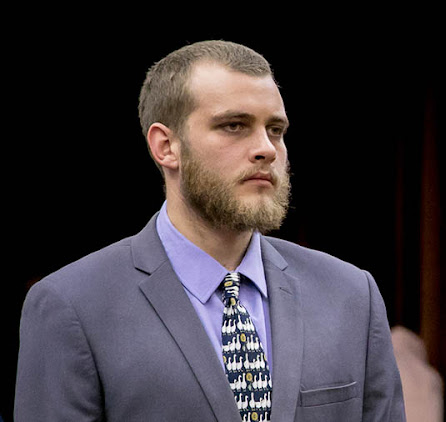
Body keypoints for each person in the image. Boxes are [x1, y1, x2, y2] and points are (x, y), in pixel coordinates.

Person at [15, 40, 406, 422]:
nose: (266, 149)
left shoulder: (351, 294)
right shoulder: (72, 306)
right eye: (234, 125)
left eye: (275, 130)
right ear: (166, 146)